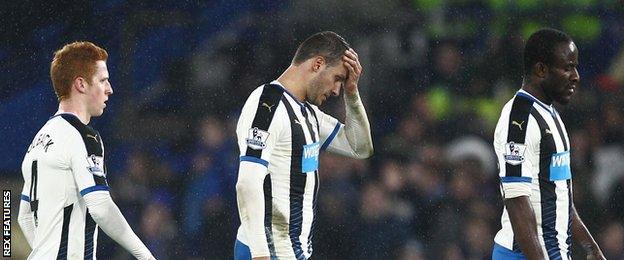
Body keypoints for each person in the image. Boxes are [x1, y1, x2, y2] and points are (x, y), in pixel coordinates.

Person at [234, 31, 374, 260]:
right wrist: (260, 254)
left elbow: (359, 147)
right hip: (268, 252)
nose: (337, 90)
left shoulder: (308, 113)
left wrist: (352, 93)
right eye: (338, 78)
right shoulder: (267, 105)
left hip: (294, 252)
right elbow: (247, 183)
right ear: (318, 64)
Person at [17, 41, 155, 260]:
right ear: (81, 84)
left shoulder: (37, 141)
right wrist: (145, 255)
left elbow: (23, 217)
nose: (110, 89)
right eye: (103, 80)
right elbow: (100, 207)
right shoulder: (83, 136)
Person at [492, 28, 605, 259]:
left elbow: (559, 193)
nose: (576, 76)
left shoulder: (550, 114)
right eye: (567, 67)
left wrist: (590, 247)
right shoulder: (519, 119)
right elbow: (517, 201)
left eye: (575, 67)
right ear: (541, 70)